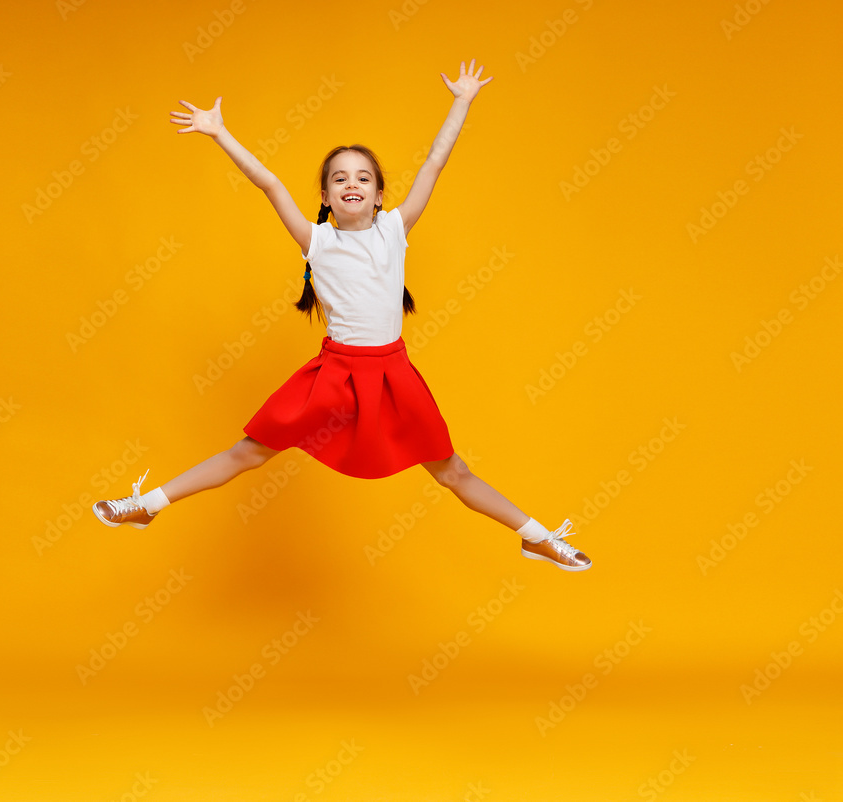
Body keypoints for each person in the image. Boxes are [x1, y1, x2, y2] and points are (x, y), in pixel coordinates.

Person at [92, 59, 591, 571]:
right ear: (326, 198)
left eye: (363, 178)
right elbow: (268, 183)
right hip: (333, 374)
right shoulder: (317, 241)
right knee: (248, 451)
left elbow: (434, 164)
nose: (351, 184)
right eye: (338, 179)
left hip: (392, 374)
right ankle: (147, 506)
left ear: (378, 195)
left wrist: (461, 101)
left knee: (452, 471)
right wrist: (219, 133)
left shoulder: (395, 229)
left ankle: (538, 536)